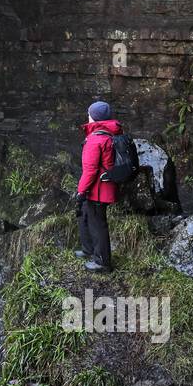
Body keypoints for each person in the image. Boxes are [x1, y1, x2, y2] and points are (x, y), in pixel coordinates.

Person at [75, 100, 120, 272]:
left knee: (98, 223)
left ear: (94, 117)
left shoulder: (96, 139)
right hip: (103, 186)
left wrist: (81, 191)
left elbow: (90, 170)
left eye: (89, 113)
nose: (87, 116)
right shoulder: (110, 133)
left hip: (98, 190)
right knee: (85, 215)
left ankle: (102, 263)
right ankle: (89, 250)